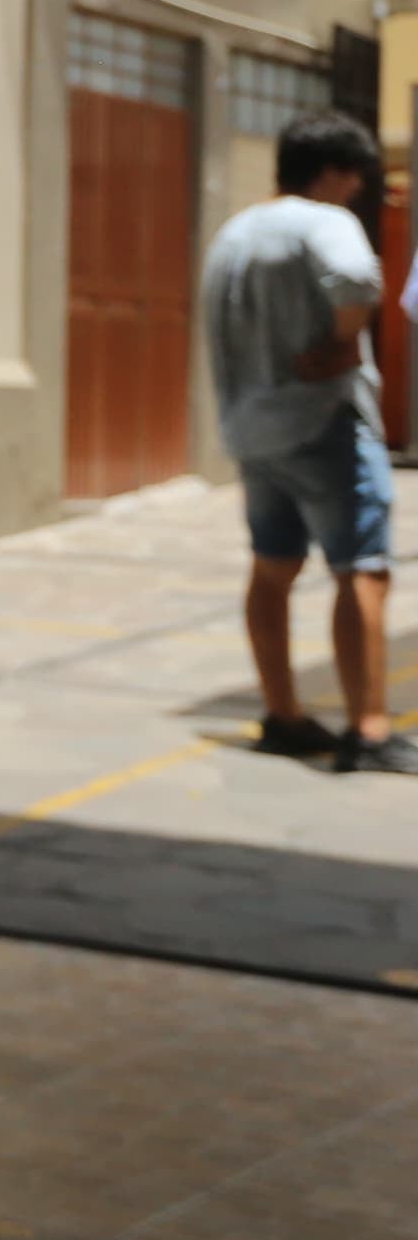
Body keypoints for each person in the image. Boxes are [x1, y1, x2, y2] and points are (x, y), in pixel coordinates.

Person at [205, 109, 407, 773]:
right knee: (362, 568)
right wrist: (348, 337)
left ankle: (283, 711)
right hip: (324, 423)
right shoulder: (325, 222)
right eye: (353, 179)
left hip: (252, 428)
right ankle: (369, 727)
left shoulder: (234, 232)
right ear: (330, 173)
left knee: (273, 565)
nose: (354, 192)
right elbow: (357, 278)